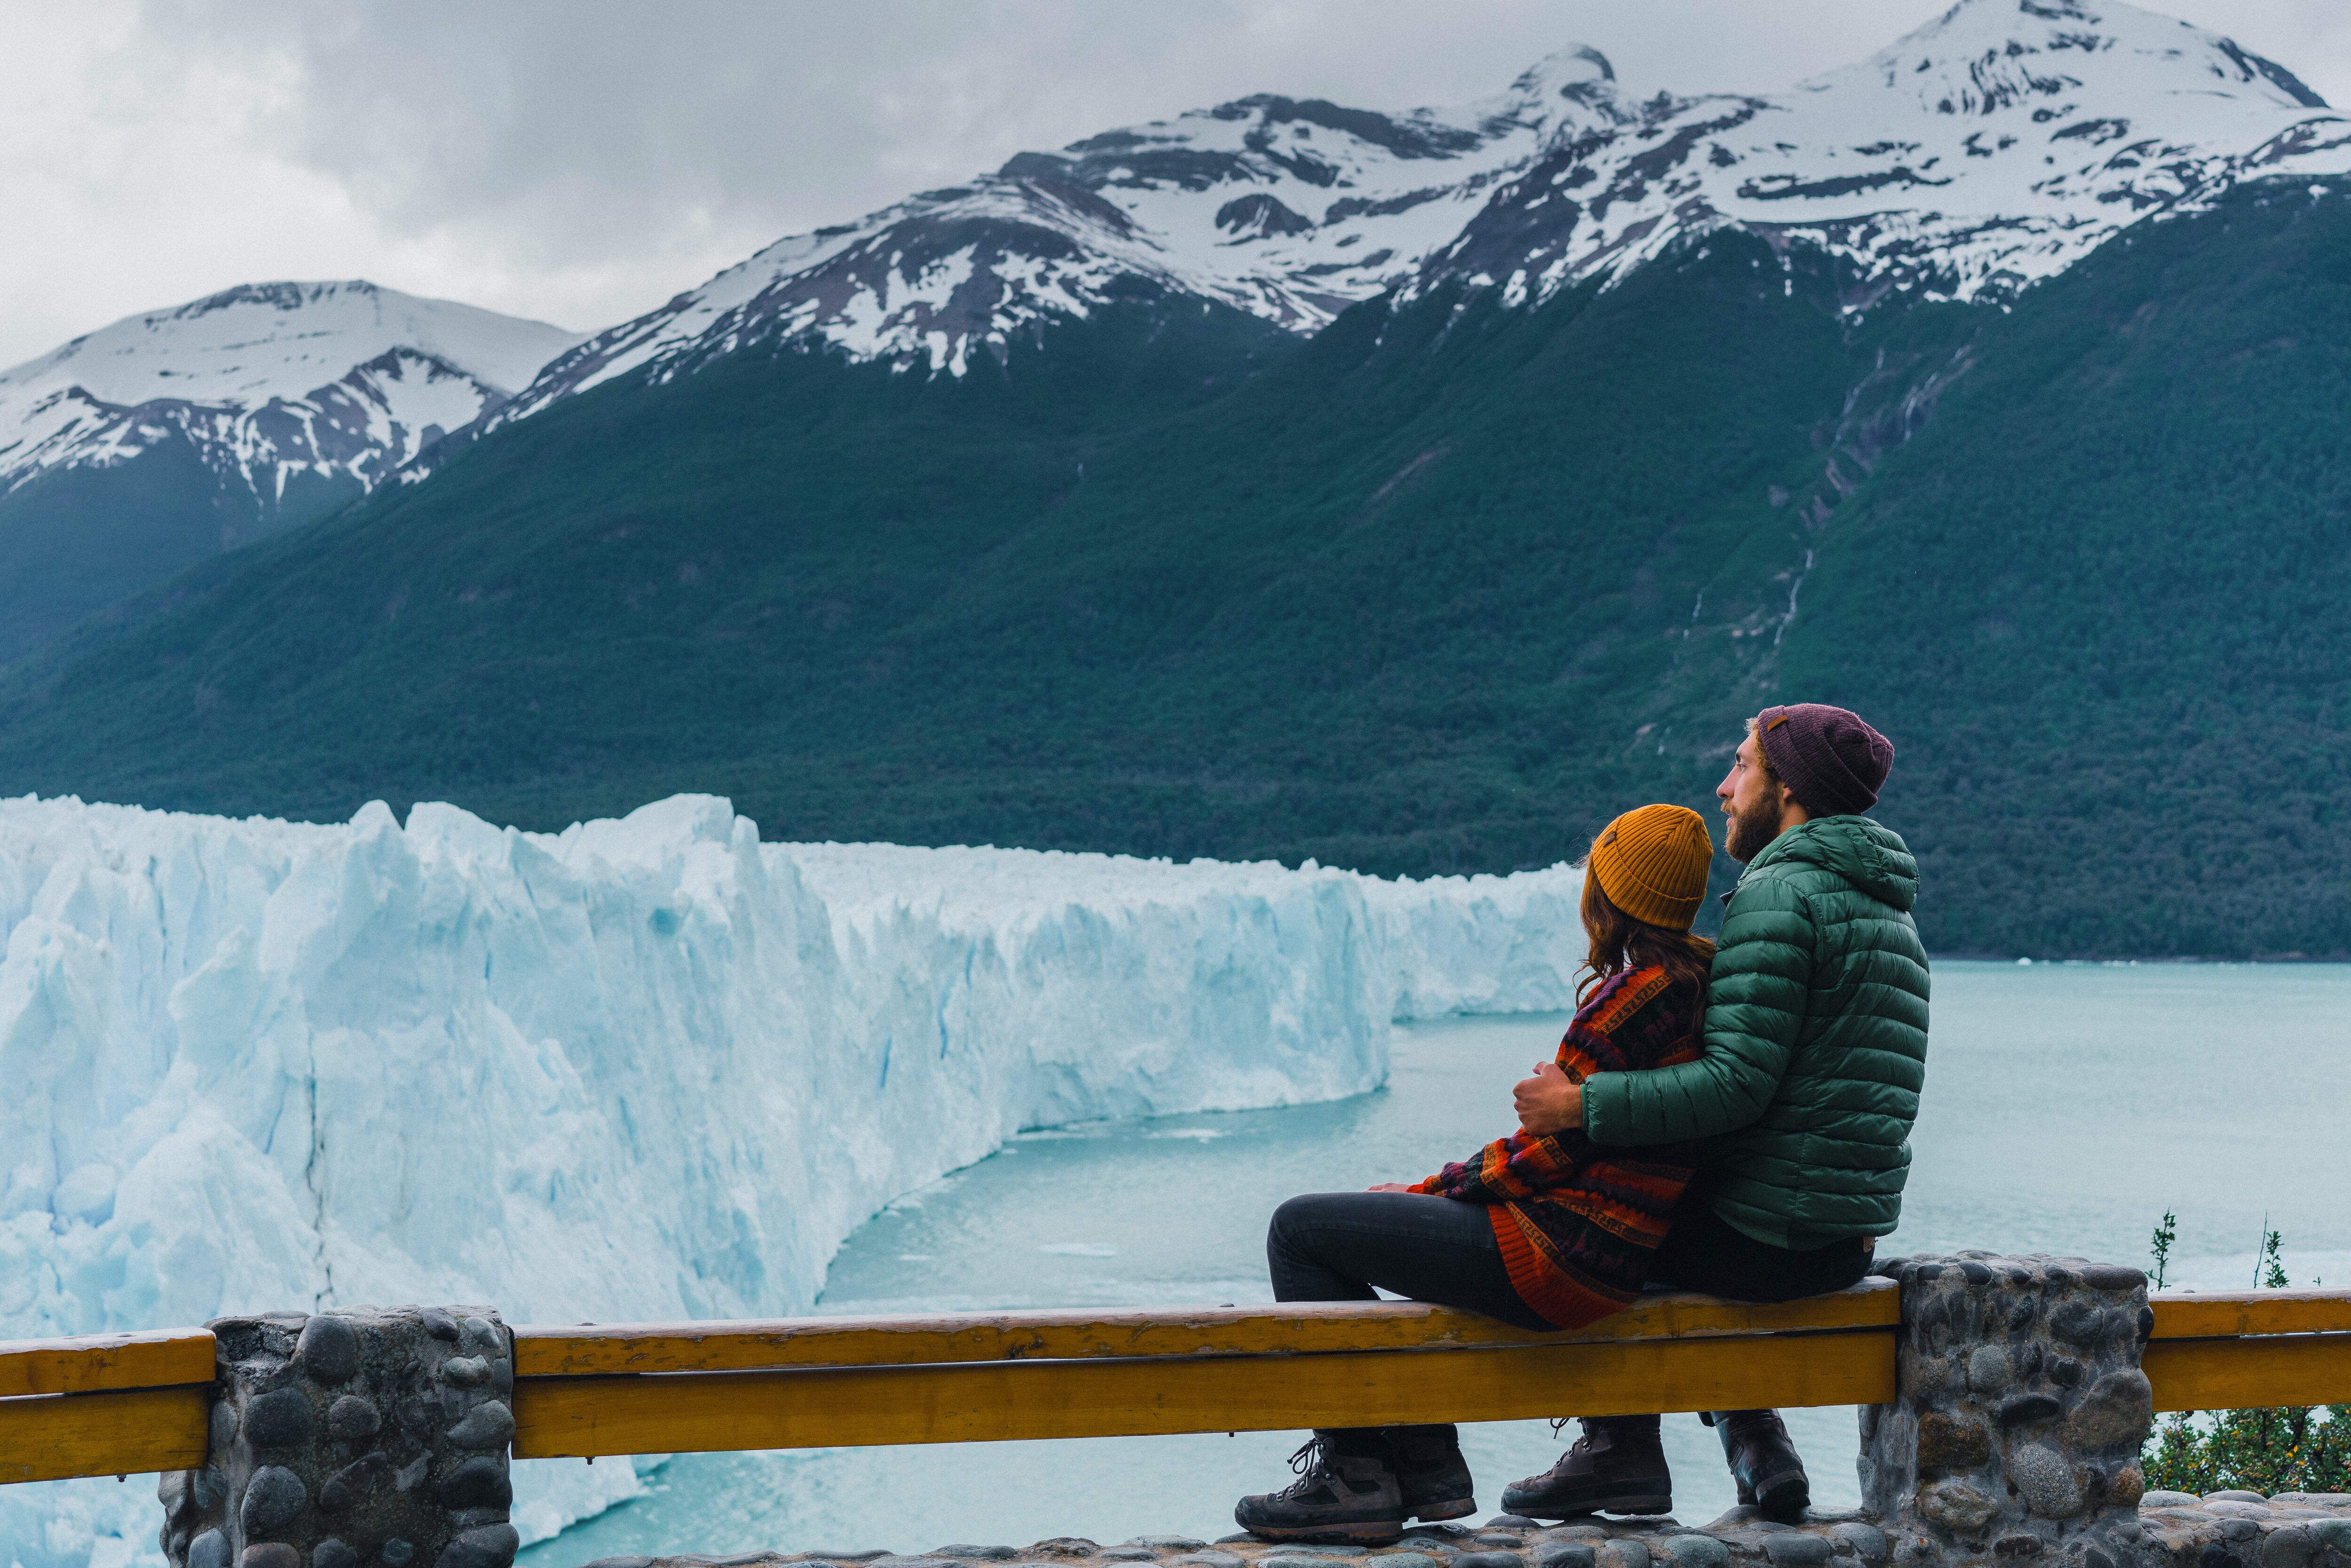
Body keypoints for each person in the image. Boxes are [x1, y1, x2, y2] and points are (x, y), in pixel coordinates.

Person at [1234, 803, 1721, 1544]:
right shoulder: (1692, 987)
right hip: (1614, 1251)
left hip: (1563, 1257)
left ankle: (1359, 1472)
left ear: (1612, 892)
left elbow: (1547, 1153)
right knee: (1369, 1234)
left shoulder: (1631, 1000)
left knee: (1300, 1231)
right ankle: (1428, 1469)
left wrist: (1428, 1190)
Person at [1499, 703, 1929, 1524]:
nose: (1725, 788)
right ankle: (1755, 1439)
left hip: (1765, 1242)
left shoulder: (1779, 892)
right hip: (1845, 1240)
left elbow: (1735, 1087)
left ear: (1789, 786)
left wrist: (1576, 1105)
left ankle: (1618, 1452)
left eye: (1743, 767)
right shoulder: (1889, 912)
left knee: (1604, 1220)